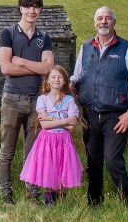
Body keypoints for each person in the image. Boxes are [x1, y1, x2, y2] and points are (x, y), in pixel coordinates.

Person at [70, 6, 128, 206]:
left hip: (116, 116)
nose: (103, 22)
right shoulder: (86, 47)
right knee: (93, 163)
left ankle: (127, 204)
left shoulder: (127, 49)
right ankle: (94, 204)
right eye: (99, 18)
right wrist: (73, 106)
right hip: (89, 114)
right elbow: (75, 79)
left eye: (108, 18)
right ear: (94, 22)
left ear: (114, 22)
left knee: (113, 161)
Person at [0, 0, 54, 205]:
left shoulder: (44, 37)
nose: (32, 10)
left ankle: (32, 197)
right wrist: (36, 67)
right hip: (12, 98)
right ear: (20, 8)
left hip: (37, 101)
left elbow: (48, 68)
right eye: (28, 6)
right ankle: (6, 197)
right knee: (7, 151)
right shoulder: (7, 33)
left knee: (32, 153)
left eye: (36, 6)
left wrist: (22, 62)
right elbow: (6, 67)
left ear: (40, 10)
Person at [19, 65, 83, 205]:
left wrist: (52, 118)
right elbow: (45, 125)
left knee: (61, 171)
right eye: (53, 77)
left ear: (65, 81)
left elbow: (72, 126)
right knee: (49, 170)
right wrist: (64, 120)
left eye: (60, 77)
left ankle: (59, 201)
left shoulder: (69, 100)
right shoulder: (42, 99)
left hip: (63, 141)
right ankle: (49, 203)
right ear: (47, 80)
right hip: (47, 140)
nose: (56, 80)